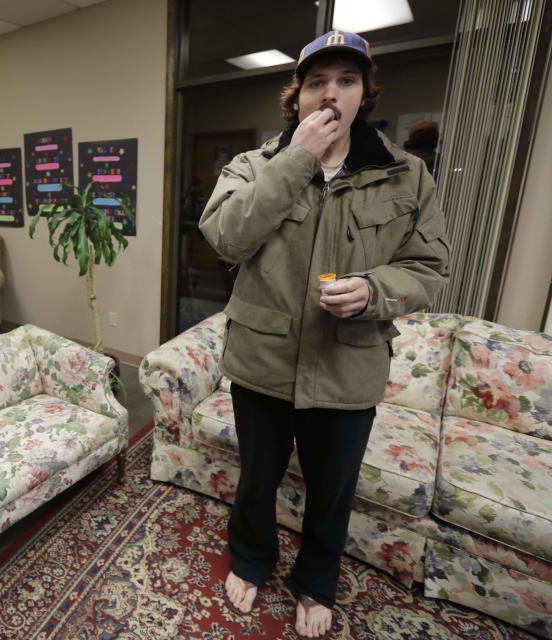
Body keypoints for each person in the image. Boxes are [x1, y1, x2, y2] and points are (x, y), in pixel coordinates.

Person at [199, 30, 450, 639]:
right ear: (297, 97)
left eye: (346, 81)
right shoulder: (253, 166)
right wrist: (297, 160)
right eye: (317, 83)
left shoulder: (406, 175)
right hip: (261, 359)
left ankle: (316, 583)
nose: (331, 94)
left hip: (348, 366)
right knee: (256, 477)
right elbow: (225, 237)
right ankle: (253, 560)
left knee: (332, 491)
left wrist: (375, 291)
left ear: (365, 94)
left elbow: (430, 269)